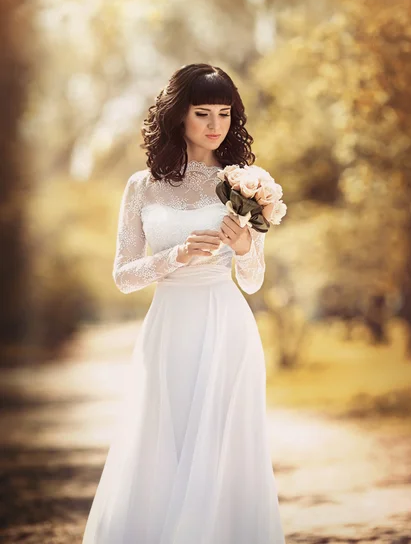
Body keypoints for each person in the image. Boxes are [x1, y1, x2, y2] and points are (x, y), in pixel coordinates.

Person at [82, 63, 286, 544]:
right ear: (179, 116)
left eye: (224, 114)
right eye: (203, 113)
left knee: (223, 447)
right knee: (160, 442)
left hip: (226, 325)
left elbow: (253, 281)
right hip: (169, 327)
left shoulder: (245, 184)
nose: (216, 126)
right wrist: (174, 256)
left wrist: (242, 249)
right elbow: (123, 276)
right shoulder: (142, 186)